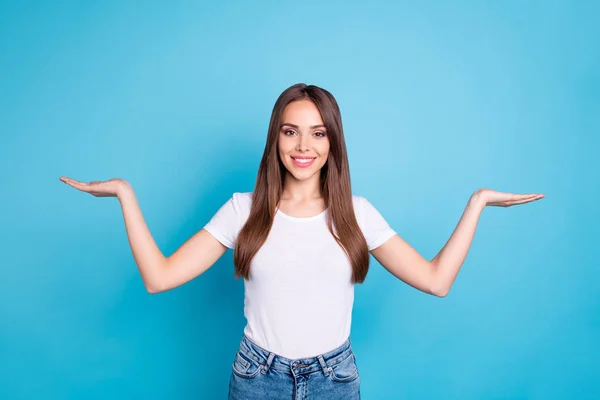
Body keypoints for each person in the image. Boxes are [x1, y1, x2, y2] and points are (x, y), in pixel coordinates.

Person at [59, 83, 544, 399]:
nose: (303, 146)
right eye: (290, 132)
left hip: (334, 381)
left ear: (333, 142)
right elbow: (158, 278)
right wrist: (126, 194)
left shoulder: (356, 213)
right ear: (276, 139)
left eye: (317, 133)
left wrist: (477, 203)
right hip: (256, 380)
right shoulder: (241, 209)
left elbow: (437, 281)